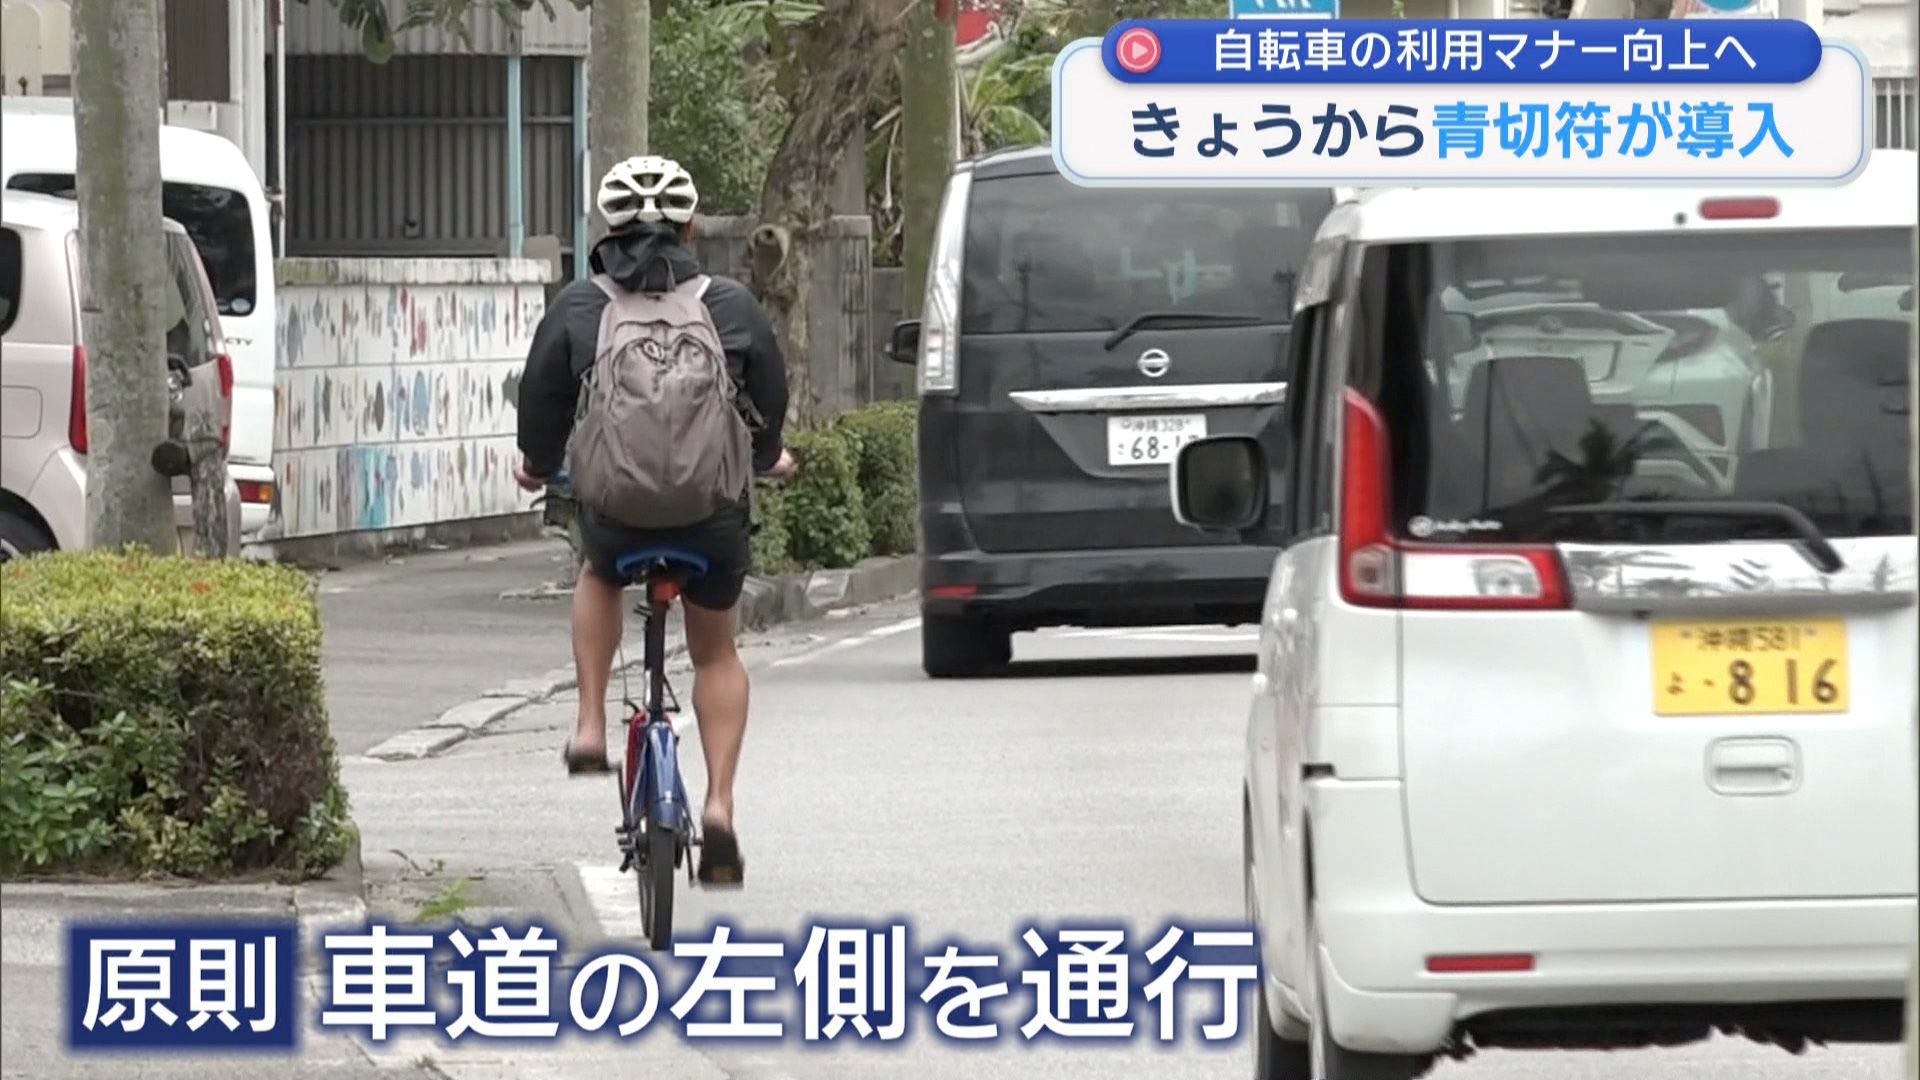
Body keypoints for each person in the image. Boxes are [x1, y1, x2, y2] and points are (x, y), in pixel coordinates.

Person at [513, 155, 793, 886]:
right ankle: (720, 805)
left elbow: (541, 399)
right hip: (710, 518)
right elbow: (770, 394)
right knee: (717, 653)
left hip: (619, 516)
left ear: (606, 227)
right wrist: (768, 456)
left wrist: (537, 464)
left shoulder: (580, 306)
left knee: (598, 569)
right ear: (691, 227)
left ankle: (589, 724)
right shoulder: (730, 305)